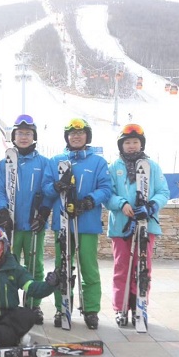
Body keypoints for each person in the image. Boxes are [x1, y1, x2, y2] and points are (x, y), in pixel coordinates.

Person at [43, 118, 112, 329]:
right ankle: (61, 307)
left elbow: (106, 188)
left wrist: (89, 201)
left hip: (87, 223)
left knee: (88, 267)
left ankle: (91, 310)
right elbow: (45, 189)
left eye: (80, 133)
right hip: (63, 223)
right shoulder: (56, 161)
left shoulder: (98, 162)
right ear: (67, 137)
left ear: (87, 137)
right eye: (72, 133)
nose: (76, 136)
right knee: (62, 266)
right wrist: (56, 186)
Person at [106, 124, 169, 325]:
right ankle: (121, 307)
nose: (132, 146)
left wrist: (151, 206)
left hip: (146, 225)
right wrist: (121, 204)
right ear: (121, 145)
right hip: (121, 226)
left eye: (135, 142)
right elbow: (107, 194)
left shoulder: (152, 167)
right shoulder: (114, 168)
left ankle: (139, 306)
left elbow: (163, 192)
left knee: (142, 267)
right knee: (122, 267)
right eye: (127, 142)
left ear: (141, 144)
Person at [0, 114, 52, 324]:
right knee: (9, 266)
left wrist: (43, 212)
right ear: (14, 137)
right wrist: (2, 211)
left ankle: (33, 305)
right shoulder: (4, 164)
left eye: (28, 133)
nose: (24, 137)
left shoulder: (44, 163)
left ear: (34, 137)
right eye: (20, 133)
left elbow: (48, 190)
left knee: (35, 266)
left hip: (34, 223)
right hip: (12, 225)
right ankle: (9, 304)